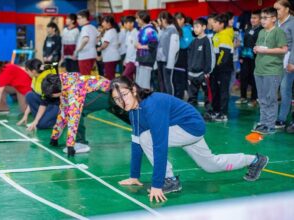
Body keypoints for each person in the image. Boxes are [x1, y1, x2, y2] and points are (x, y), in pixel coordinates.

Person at [110, 76, 269, 203]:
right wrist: (134, 176)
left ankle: (169, 180)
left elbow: (159, 145)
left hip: (190, 127)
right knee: (210, 165)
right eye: (117, 99)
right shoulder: (134, 111)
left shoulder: (152, 105)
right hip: (181, 129)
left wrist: (158, 184)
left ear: (134, 90)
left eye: (123, 95)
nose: (122, 102)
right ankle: (255, 160)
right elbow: (136, 143)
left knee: (147, 138)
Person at [43, 72, 129, 157]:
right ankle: (141, 126)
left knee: (78, 111)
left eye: (51, 95)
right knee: (123, 112)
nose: (51, 97)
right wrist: (55, 136)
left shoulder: (73, 89)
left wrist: (70, 145)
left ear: (55, 92)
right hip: (103, 90)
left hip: (105, 92)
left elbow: (73, 116)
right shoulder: (63, 82)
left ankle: (81, 143)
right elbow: (63, 111)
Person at [252, 7, 288, 134]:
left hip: (272, 71)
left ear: (274, 18)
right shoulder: (261, 32)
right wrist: (256, 49)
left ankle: (270, 125)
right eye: (261, 18)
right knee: (262, 99)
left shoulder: (278, 32)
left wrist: (266, 50)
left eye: (265, 18)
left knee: (270, 98)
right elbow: (259, 46)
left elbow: (284, 49)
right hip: (259, 70)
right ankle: (263, 123)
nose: (262, 20)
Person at [17, 59, 59, 130]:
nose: (26, 72)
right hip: (46, 103)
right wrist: (25, 115)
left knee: (40, 125)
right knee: (29, 95)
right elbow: (35, 98)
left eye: (27, 70)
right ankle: (41, 119)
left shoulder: (46, 79)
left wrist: (36, 121)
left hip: (56, 104)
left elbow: (43, 104)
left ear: (33, 71)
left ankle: (59, 121)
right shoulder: (35, 77)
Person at [187, 18, 215, 116]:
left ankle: (209, 112)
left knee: (207, 94)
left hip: (202, 74)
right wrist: (189, 70)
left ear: (204, 27)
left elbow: (210, 56)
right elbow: (189, 57)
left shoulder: (207, 40)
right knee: (191, 96)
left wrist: (207, 71)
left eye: (197, 27)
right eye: (194, 27)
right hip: (192, 74)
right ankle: (190, 114)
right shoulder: (193, 41)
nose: (195, 29)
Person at [211, 13, 235, 122]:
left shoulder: (225, 36)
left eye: (215, 23)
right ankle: (216, 110)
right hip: (216, 69)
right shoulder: (216, 35)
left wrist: (218, 66)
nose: (213, 24)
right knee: (216, 90)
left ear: (221, 24)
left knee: (223, 91)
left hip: (223, 69)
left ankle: (223, 113)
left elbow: (224, 55)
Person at [274, 0, 294, 129]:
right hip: (275, 61)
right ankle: (272, 117)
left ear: (287, 9)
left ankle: (281, 119)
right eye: (275, 9)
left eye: (278, 9)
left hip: (288, 60)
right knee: (274, 91)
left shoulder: (292, 22)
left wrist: (292, 62)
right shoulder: (275, 23)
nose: (276, 12)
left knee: (285, 90)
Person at [236, 10, 263, 107]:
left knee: (254, 78)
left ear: (260, 20)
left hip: (256, 58)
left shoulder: (262, 30)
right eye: (252, 18)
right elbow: (244, 43)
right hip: (245, 57)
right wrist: (241, 56)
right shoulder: (248, 28)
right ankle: (243, 97)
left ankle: (254, 98)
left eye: (255, 18)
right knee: (243, 77)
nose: (252, 20)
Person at [156, 11, 180, 94]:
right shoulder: (164, 30)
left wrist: (170, 63)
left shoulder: (173, 30)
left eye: (159, 19)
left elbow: (173, 49)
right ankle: (164, 100)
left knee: (168, 82)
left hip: (167, 62)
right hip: (160, 61)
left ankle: (170, 101)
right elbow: (158, 42)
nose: (158, 21)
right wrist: (159, 28)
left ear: (164, 19)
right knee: (162, 83)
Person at [135, 10, 158, 89]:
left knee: (144, 85)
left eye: (137, 18)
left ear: (142, 19)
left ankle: (145, 100)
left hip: (147, 60)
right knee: (139, 84)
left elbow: (153, 45)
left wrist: (140, 46)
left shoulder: (150, 30)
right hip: (141, 60)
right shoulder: (142, 29)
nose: (136, 20)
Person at [74, 9, 98, 75]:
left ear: (84, 18)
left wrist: (77, 50)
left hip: (85, 56)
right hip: (92, 55)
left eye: (79, 18)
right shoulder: (93, 27)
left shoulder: (85, 28)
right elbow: (98, 38)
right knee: (88, 76)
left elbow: (85, 39)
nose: (77, 21)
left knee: (85, 76)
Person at [97, 15, 120, 80]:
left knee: (110, 75)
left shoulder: (110, 32)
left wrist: (98, 49)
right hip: (109, 57)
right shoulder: (109, 31)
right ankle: (111, 88)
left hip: (111, 57)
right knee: (109, 74)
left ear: (108, 23)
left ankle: (111, 89)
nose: (102, 24)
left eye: (103, 22)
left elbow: (105, 44)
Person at [122, 16, 138, 81]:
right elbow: (128, 48)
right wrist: (125, 59)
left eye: (126, 23)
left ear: (132, 23)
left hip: (133, 60)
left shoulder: (136, 33)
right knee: (129, 79)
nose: (125, 25)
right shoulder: (128, 33)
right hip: (128, 60)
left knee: (124, 76)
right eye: (124, 23)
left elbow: (137, 48)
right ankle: (130, 90)